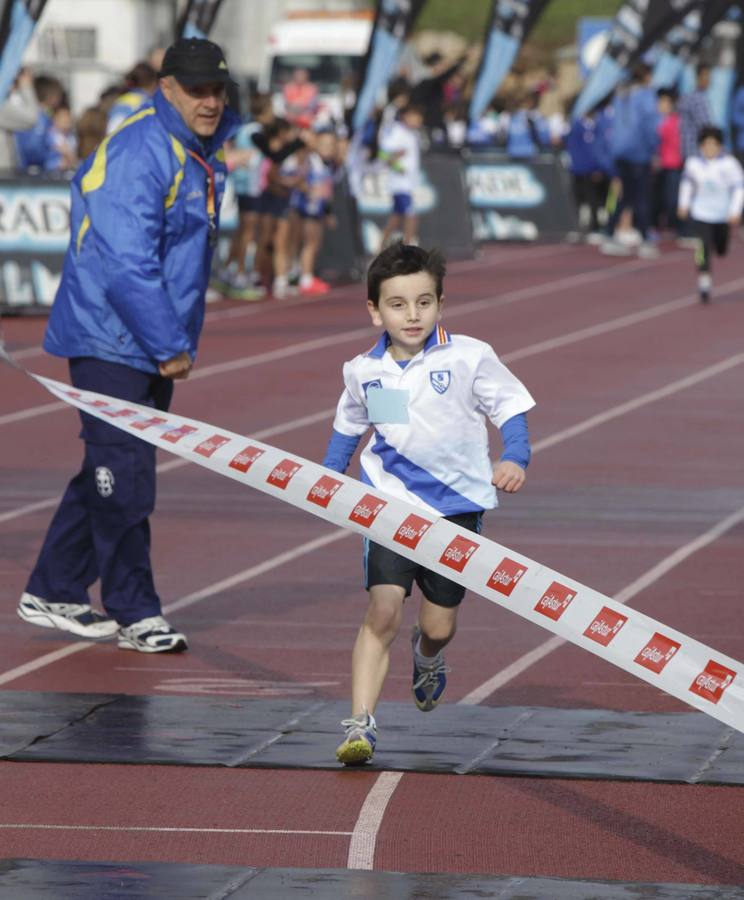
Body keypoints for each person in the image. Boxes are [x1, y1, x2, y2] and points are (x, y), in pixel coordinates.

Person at [17, 37, 240, 652]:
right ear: (164, 87)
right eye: (196, 89)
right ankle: (136, 610)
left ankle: (55, 588)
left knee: (109, 469)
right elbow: (125, 263)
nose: (211, 100)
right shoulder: (142, 151)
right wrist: (168, 342)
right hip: (111, 336)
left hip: (141, 338)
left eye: (218, 89)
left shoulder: (196, 151)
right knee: (128, 476)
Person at [322, 242, 535, 765]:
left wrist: (516, 456)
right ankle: (361, 725)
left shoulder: (468, 356)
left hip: (457, 510)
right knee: (383, 607)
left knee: (439, 625)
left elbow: (509, 407)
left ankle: (427, 656)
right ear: (375, 310)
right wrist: (328, 478)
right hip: (389, 508)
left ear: (440, 303)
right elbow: (350, 427)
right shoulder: (363, 371)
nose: (411, 314)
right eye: (397, 304)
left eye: (423, 302)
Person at [677, 125, 744, 303]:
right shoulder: (693, 164)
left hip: (722, 215)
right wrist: (683, 205)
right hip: (701, 213)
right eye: (706, 144)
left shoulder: (729, 164)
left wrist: (735, 211)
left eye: (714, 144)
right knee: (703, 246)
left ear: (720, 146)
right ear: (701, 146)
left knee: (721, 249)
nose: (710, 148)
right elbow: (686, 185)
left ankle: (719, 246)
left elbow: (739, 189)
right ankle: (704, 281)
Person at [378, 104, 424, 248]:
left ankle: (379, 249)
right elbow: (383, 154)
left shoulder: (413, 134)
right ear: (405, 116)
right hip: (399, 184)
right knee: (411, 216)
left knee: (395, 219)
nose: (418, 120)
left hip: (408, 184)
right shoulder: (396, 132)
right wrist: (398, 167)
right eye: (414, 116)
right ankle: (408, 249)